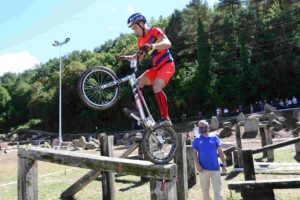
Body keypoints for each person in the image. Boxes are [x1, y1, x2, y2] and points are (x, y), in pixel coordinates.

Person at [120, 13, 175, 127]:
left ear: (142, 23)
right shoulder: (140, 41)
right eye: (132, 29)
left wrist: (153, 46)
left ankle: (166, 118)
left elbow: (167, 44)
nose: (134, 31)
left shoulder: (155, 31)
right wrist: (127, 57)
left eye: (135, 27)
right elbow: (139, 56)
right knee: (138, 83)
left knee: (157, 86)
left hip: (167, 65)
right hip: (156, 68)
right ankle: (139, 112)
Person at [192, 120, 227, 200]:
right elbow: (194, 153)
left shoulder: (214, 137)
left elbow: (220, 151)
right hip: (203, 170)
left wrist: (224, 164)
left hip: (215, 169)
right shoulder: (197, 139)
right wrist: (197, 164)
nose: (201, 128)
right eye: (199, 127)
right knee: (205, 193)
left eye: (202, 126)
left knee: (218, 192)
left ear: (207, 127)